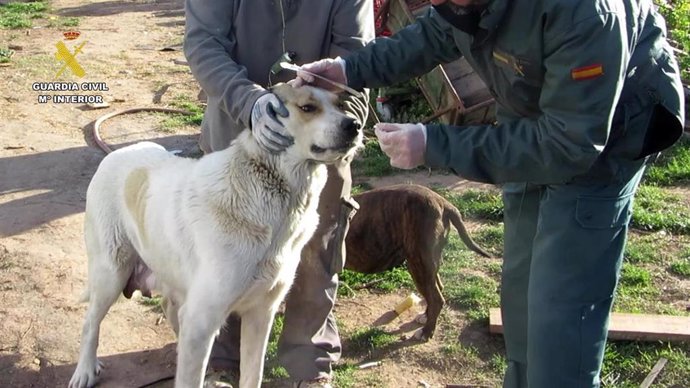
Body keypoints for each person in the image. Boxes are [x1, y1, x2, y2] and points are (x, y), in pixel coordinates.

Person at [291, 0, 685, 387]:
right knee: (520, 297)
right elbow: (429, 36)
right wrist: (346, 69)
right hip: (532, 128)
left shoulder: (586, 12)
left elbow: (569, 145)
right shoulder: (461, 5)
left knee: (561, 314)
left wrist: (435, 144)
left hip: (601, 148)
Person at [182, 1, 374, 387]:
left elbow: (358, 59)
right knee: (222, 252)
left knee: (318, 248)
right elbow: (204, 42)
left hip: (318, 140)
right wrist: (249, 102)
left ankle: (308, 362)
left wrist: (339, 121)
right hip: (235, 132)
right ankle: (221, 359)